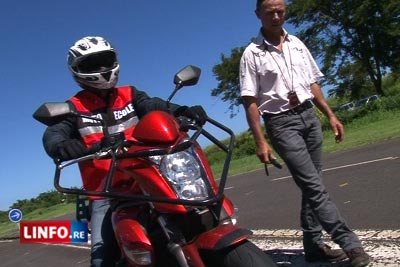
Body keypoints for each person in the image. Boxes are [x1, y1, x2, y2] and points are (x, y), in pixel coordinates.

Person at [41, 36, 207, 267]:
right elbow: (54, 133)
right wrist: (61, 145)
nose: (101, 69)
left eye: (105, 61)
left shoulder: (130, 94)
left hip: (150, 177)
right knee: (102, 258)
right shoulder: (72, 108)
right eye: (92, 64)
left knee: (205, 212)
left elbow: (154, 105)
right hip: (107, 193)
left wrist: (182, 111)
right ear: (77, 71)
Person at [239, 1, 370, 267]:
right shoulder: (252, 54)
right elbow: (250, 100)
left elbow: (312, 84)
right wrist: (260, 140)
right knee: (314, 187)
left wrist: (330, 115)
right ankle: (351, 244)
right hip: (281, 123)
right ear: (258, 15)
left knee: (314, 185)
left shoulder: (297, 43)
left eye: (281, 11)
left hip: (309, 116)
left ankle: (313, 247)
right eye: (270, 12)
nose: (276, 16)